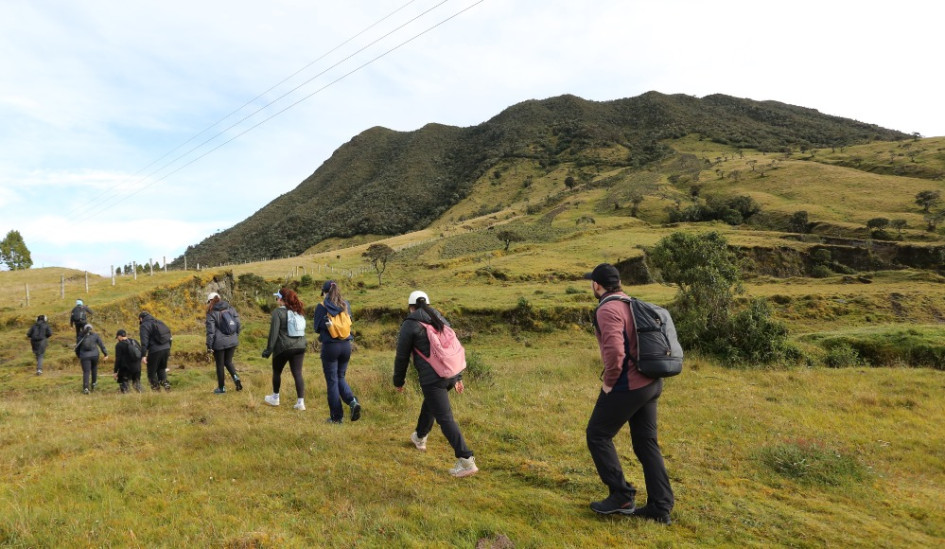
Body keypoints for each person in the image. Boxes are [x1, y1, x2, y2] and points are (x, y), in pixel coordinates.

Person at [584, 263, 674, 523]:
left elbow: (615, 352)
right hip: (651, 382)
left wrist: (609, 383)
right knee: (646, 444)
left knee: (597, 434)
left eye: (592, 282)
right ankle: (660, 506)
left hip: (629, 385)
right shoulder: (630, 303)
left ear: (596, 285)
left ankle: (621, 495)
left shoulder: (608, 308)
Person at [393, 290, 478, 478]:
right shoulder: (439, 318)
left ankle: (466, 460)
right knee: (431, 403)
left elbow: (402, 356)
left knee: (445, 418)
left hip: (434, 377)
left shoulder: (410, 324)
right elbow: (453, 347)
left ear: (411, 307)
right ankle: (420, 437)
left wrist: (398, 381)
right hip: (450, 372)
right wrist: (458, 377)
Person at [313, 280, 361, 423]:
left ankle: (336, 418)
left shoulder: (321, 306)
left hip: (331, 346)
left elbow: (316, 328)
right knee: (340, 377)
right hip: (346, 345)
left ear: (325, 292)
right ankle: (352, 402)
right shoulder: (346, 305)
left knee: (332, 382)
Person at [261, 288, 307, 411]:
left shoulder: (277, 312)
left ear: (282, 299)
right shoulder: (298, 311)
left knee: (277, 371)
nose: (276, 300)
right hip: (300, 346)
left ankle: (275, 398)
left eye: (278, 298)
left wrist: (268, 350)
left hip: (283, 348)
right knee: (297, 373)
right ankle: (300, 403)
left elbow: (273, 334)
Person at [205, 291, 243, 394]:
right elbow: (238, 324)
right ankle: (236, 378)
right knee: (228, 361)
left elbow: (211, 332)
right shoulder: (230, 308)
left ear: (210, 301)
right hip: (233, 340)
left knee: (220, 365)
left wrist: (209, 345)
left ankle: (221, 388)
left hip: (219, 343)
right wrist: (235, 335)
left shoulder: (211, 313)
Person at [139, 311, 172, 391]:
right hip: (166, 347)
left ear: (141, 318)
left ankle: (156, 389)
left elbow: (144, 341)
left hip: (155, 350)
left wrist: (143, 355)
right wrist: (168, 349)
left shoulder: (144, 325)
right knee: (161, 368)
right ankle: (166, 385)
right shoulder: (159, 322)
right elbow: (170, 336)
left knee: (151, 372)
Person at [75, 324, 108, 394]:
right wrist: (105, 354)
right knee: (94, 369)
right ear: (91, 329)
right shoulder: (95, 335)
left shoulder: (80, 337)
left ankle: (86, 388)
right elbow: (101, 345)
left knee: (86, 372)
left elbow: (77, 348)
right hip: (95, 355)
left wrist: (79, 356)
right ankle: (94, 384)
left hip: (84, 356)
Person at [113, 329, 143, 393]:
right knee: (137, 384)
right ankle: (141, 395)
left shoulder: (119, 345)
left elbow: (118, 359)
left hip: (126, 369)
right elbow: (140, 352)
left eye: (117, 337)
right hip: (137, 367)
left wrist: (115, 371)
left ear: (119, 336)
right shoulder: (134, 341)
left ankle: (126, 396)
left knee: (124, 385)